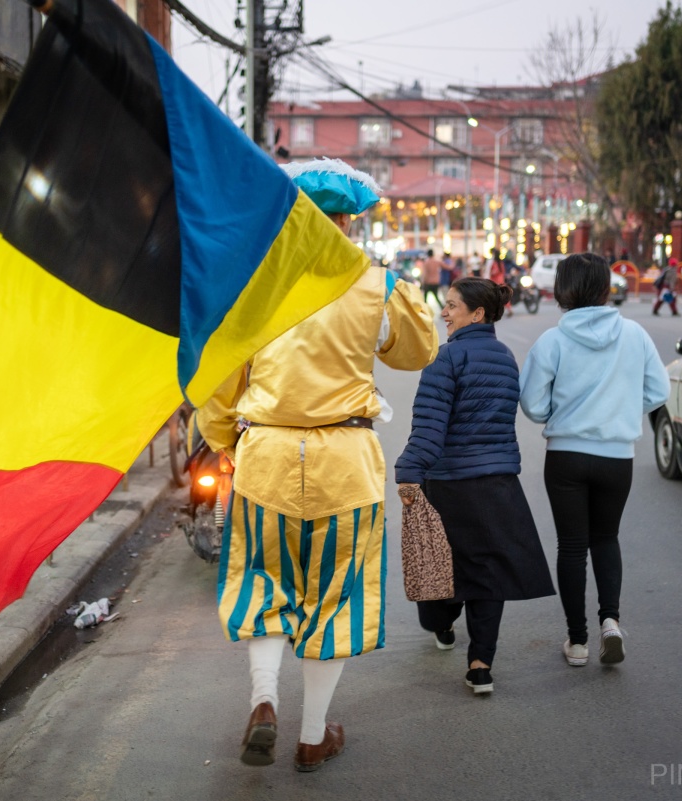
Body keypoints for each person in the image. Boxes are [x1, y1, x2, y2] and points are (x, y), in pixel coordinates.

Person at [199, 159, 437, 773]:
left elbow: (219, 387)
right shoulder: (375, 283)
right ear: (348, 223)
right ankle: (311, 736)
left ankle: (263, 702)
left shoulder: (255, 286)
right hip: (346, 463)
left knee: (262, 583)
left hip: (267, 459)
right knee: (337, 598)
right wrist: (386, 288)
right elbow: (418, 350)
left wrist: (231, 445)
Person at [395, 278, 554, 695]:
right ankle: (481, 665)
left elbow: (429, 430)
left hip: (449, 484)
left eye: (450, 306)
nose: (443, 313)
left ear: (477, 313)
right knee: (489, 574)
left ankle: (442, 623)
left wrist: (408, 472)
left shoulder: (444, 359)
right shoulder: (505, 357)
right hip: (498, 485)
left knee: (440, 567)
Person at [518, 253, 669, 668]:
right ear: (605, 287)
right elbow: (658, 391)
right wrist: (619, 413)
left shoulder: (553, 340)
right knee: (607, 538)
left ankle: (578, 642)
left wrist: (561, 417)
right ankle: (611, 622)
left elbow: (530, 403)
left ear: (562, 289)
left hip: (566, 456)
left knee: (571, 547)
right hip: (617, 457)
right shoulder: (634, 334)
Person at [488, 250, 514, 317]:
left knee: (495, 297)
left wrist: (491, 273)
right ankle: (509, 309)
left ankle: (494, 312)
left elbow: (494, 271)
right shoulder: (501, 262)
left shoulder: (494, 263)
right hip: (501, 281)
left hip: (495, 282)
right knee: (503, 296)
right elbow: (503, 271)